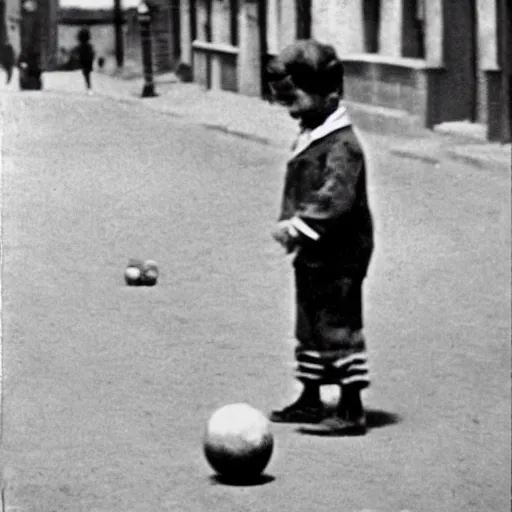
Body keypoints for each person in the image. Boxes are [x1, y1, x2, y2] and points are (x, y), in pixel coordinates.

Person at [266, 40, 374, 435]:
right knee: (309, 321)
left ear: (330, 94)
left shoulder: (343, 145)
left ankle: (350, 405)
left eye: (295, 99)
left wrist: (298, 225)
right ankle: (311, 396)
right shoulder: (314, 132)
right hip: (314, 250)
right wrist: (293, 226)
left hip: (340, 252)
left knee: (337, 323)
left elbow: (335, 198)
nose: (290, 109)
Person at [76, 27, 95, 92]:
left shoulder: (82, 46)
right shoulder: (89, 46)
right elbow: (92, 54)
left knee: (86, 73)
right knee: (87, 73)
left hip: (84, 59)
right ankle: (88, 86)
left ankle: (88, 86)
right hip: (87, 59)